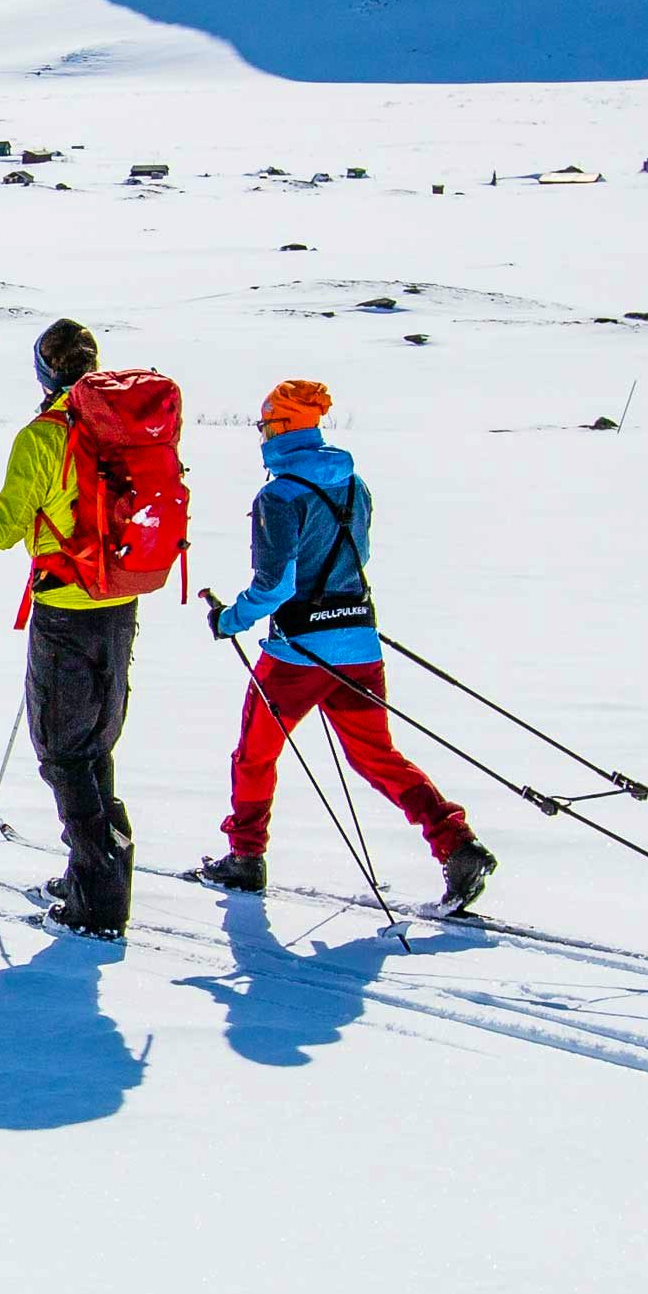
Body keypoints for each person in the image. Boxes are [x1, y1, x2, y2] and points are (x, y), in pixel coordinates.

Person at [201, 379, 495, 916]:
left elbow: (275, 587)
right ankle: (455, 843)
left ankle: (245, 857)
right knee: (376, 757)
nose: (262, 435)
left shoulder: (277, 496)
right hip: (359, 644)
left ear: (283, 428)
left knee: (255, 756)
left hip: (296, 656)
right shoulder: (355, 485)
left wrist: (230, 619)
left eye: (265, 426)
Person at [0, 318, 141, 935]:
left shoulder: (43, 437)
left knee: (62, 755)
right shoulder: (126, 428)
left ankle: (97, 901)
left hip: (67, 612)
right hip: (120, 603)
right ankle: (99, 871)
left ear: (45, 372)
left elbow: (0, 531)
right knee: (96, 744)